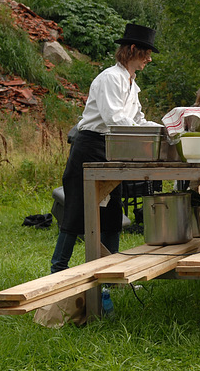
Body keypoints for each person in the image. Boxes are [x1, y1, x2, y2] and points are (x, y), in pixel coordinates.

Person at [51, 24, 160, 273]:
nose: (150, 58)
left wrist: (162, 130)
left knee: (112, 213)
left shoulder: (132, 84)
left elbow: (137, 119)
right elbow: (115, 119)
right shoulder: (111, 78)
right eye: (147, 52)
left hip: (112, 149)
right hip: (90, 147)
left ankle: (110, 271)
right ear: (133, 49)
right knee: (77, 210)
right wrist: (143, 132)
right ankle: (58, 269)